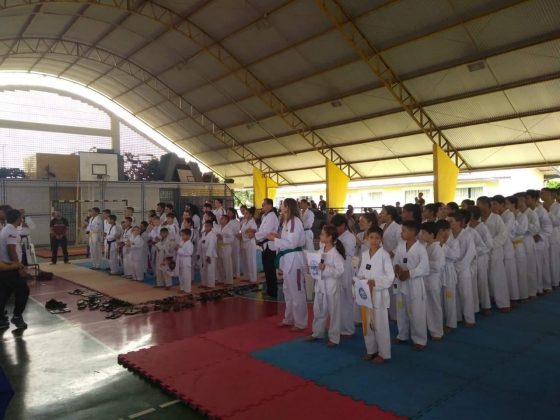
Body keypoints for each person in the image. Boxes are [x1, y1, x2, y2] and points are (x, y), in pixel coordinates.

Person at [267, 198, 308, 331]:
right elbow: (287, 240)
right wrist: (278, 237)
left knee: (297, 291)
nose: (281, 207)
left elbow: (292, 243)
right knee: (287, 291)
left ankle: (300, 322)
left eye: (283, 205)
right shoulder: (286, 221)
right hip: (287, 259)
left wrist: (275, 239)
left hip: (295, 260)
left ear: (288, 207)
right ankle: (289, 318)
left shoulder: (294, 221)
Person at [357, 226, 394, 363]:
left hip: (378, 294)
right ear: (367, 238)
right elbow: (361, 272)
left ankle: (384, 353)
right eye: (371, 237)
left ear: (381, 239)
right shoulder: (364, 254)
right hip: (366, 294)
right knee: (367, 324)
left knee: (380, 325)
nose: (374, 240)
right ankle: (371, 350)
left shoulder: (384, 255)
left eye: (377, 238)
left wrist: (375, 282)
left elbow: (390, 276)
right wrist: (359, 281)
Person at [393, 220, 430, 351]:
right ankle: (402, 334)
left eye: (404, 231)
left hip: (414, 283)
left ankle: (420, 339)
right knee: (401, 310)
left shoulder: (421, 248)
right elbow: (396, 260)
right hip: (401, 281)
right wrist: (397, 267)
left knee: (416, 312)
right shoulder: (400, 245)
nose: (401, 233)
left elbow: (425, 268)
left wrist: (409, 273)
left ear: (413, 232)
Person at [306, 224, 345, 347]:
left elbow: (340, 271)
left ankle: (334, 337)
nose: (320, 236)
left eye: (323, 234)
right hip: (320, 285)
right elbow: (316, 266)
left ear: (329, 237)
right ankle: (317, 332)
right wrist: (311, 268)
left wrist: (325, 268)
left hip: (332, 286)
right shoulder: (319, 251)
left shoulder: (336, 254)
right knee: (319, 310)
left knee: (334, 313)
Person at [477, 196, 510, 312]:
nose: (478, 206)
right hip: (482, 253)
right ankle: (487, 300)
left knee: (497, 277)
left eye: (480, 204)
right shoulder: (477, 219)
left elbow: (503, 235)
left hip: (494, 251)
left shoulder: (496, 218)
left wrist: (490, 245)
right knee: (483, 278)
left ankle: (503, 303)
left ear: (487, 205)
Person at [0, 209, 29, 329]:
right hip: (10, 268)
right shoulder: (11, 230)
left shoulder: (6, 229)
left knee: (4, 293)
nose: (22, 219)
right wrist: (19, 267)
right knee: (23, 290)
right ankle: (17, 317)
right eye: (21, 217)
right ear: (18, 219)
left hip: (5, 267)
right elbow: (11, 250)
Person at [448, 211, 476, 327]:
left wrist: (459, 267)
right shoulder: (448, 235)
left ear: (459, 222)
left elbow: (470, 254)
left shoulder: (467, 235)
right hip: (451, 268)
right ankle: (457, 317)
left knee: (466, 294)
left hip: (463, 269)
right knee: (453, 295)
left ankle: (469, 319)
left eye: (451, 221)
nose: (449, 223)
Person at [330, 214, 356, 337]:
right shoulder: (336, 237)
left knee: (347, 300)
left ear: (344, 225)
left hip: (346, 268)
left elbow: (344, 253)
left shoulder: (350, 237)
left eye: (337, 226)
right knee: (338, 301)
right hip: (337, 269)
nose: (335, 229)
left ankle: (349, 329)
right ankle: (339, 327)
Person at [492, 195, 520, 305]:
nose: (493, 206)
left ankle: (513, 297)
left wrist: (493, 242)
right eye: (492, 204)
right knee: (500, 275)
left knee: (509, 273)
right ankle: (500, 296)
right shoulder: (496, 216)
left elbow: (505, 231)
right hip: (498, 248)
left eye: (495, 204)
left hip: (506, 246)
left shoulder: (509, 215)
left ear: (502, 204)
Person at [420, 221, 445, 341]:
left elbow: (438, 266)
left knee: (434, 306)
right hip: (425, 280)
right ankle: (431, 329)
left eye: (424, 233)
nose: (422, 235)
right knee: (427, 307)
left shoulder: (437, 248)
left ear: (431, 234)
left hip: (433, 281)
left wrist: (423, 263)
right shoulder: (425, 246)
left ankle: (437, 332)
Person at [468, 206, 493, 315]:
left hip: (481, 257)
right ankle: (475, 305)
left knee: (482, 281)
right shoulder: (467, 227)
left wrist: (475, 251)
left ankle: (486, 305)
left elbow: (489, 244)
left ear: (472, 215)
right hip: (470, 259)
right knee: (472, 282)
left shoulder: (482, 227)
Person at [436, 219, 460, 333]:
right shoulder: (435, 242)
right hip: (439, 272)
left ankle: (451, 323)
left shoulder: (454, 241)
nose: (442, 233)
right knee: (439, 299)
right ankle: (440, 322)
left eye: (444, 231)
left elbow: (455, 256)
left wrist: (443, 245)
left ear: (448, 230)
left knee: (449, 298)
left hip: (449, 271)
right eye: (440, 231)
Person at [526, 189, 553, 293]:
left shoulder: (541, 211)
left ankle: (543, 287)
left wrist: (539, 236)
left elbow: (548, 227)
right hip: (529, 241)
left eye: (527, 198)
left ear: (534, 199)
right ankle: (535, 288)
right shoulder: (527, 211)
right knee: (533, 266)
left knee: (541, 265)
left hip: (540, 242)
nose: (526, 201)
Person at [254, 198, 280, 297]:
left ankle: (273, 291)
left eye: (264, 204)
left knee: (270, 269)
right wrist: (257, 236)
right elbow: (262, 230)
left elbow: (266, 232)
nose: (262, 206)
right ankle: (269, 289)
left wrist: (255, 236)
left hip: (270, 245)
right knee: (267, 269)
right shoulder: (266, 216)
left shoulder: (272, 217)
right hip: (265, 245)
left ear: (270, 205)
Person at [515, 192, 539, 298]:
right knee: (520, 269)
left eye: (518, 200)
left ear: (523, 200)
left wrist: (524, 225)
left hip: (528, 241)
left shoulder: (531, 213)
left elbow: (536, 228)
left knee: (530, 267)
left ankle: (532, 291)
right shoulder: (516, 213)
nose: (517, 203)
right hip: (518, 243)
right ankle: (521, 292)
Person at [505, 196, 529, 301]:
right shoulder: (506, 216)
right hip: (509, 246)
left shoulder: (522, 216)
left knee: (521, 271)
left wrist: (513, 222)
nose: (505, 206)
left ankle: (523, 295)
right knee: (511, 272)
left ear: (513, 204)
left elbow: (522, 231)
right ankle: (513, 295)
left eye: (507, 203)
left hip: (518, 245)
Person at [542, 188, 560, 289]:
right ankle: (547, 282)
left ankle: (555, 282)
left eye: (543, 194)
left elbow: (557, 222)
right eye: (540, 193)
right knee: (546, 261)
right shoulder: (541, 206)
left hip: (553, 236)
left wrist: (548, 212)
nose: (541, 196)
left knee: (554, 260)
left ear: (550, 195)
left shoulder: (557, 207)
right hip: (544, 236)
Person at [240, 207, 258, 283]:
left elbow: (253, 232)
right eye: (244, 213)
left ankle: (253, 278)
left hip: (250, 242)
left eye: (246, 213)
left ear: (251, 215)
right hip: (245, 242)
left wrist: (249, 231)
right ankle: (247, 276)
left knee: (251, 260)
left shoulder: (252, 222)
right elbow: (244, 232)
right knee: (245, 260)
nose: (245, 214)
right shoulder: (245, 222)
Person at [216, 214, 234, 285]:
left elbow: (232, 239)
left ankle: (229, 281)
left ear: (226, 220)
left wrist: (222, 238)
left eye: (222, 218)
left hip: (226, 247)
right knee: (220, 264)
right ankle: (221, 279)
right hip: (219, 247)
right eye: (220, 218)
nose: (220, 219)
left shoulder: (229, 228)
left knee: (227, 264)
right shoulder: (218, 228)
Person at [200, 220, 218, 288]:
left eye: (208, 226)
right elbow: (201, 243)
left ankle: (210, 285)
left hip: (211, 254)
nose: (206, 227)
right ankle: (204, 283)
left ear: (211, 227)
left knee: (210, 270)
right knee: (204, 270)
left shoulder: (213, 235)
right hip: (204, 253)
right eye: (205, 226)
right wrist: (199, 253)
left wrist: (208, 256)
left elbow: (211, 245)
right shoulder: (204, 234)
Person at [176, 229, 194, 294]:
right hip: (180, 260)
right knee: (181, 275)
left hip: (186, 261)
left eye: (183, 235)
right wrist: (178, 248)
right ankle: (182, 288)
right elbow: (180, 249)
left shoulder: (190, 244)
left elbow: (189, 253)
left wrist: (179, 249)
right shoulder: (182, 242)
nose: (182, 237)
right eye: (181, 235)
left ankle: (187, 290)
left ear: (188, 235)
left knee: (186, 276)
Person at [226, 208, 241, 279]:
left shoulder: (236, 222)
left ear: (233, 213)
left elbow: (236, 231)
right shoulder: (226, 221)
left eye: (229, 212)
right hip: (228, 242)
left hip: (235, 241)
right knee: (229, 258)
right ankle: (230, 273)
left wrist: (230, 233)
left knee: (235, 257)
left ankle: (236, 274)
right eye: (227, 212)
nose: (228, 214)